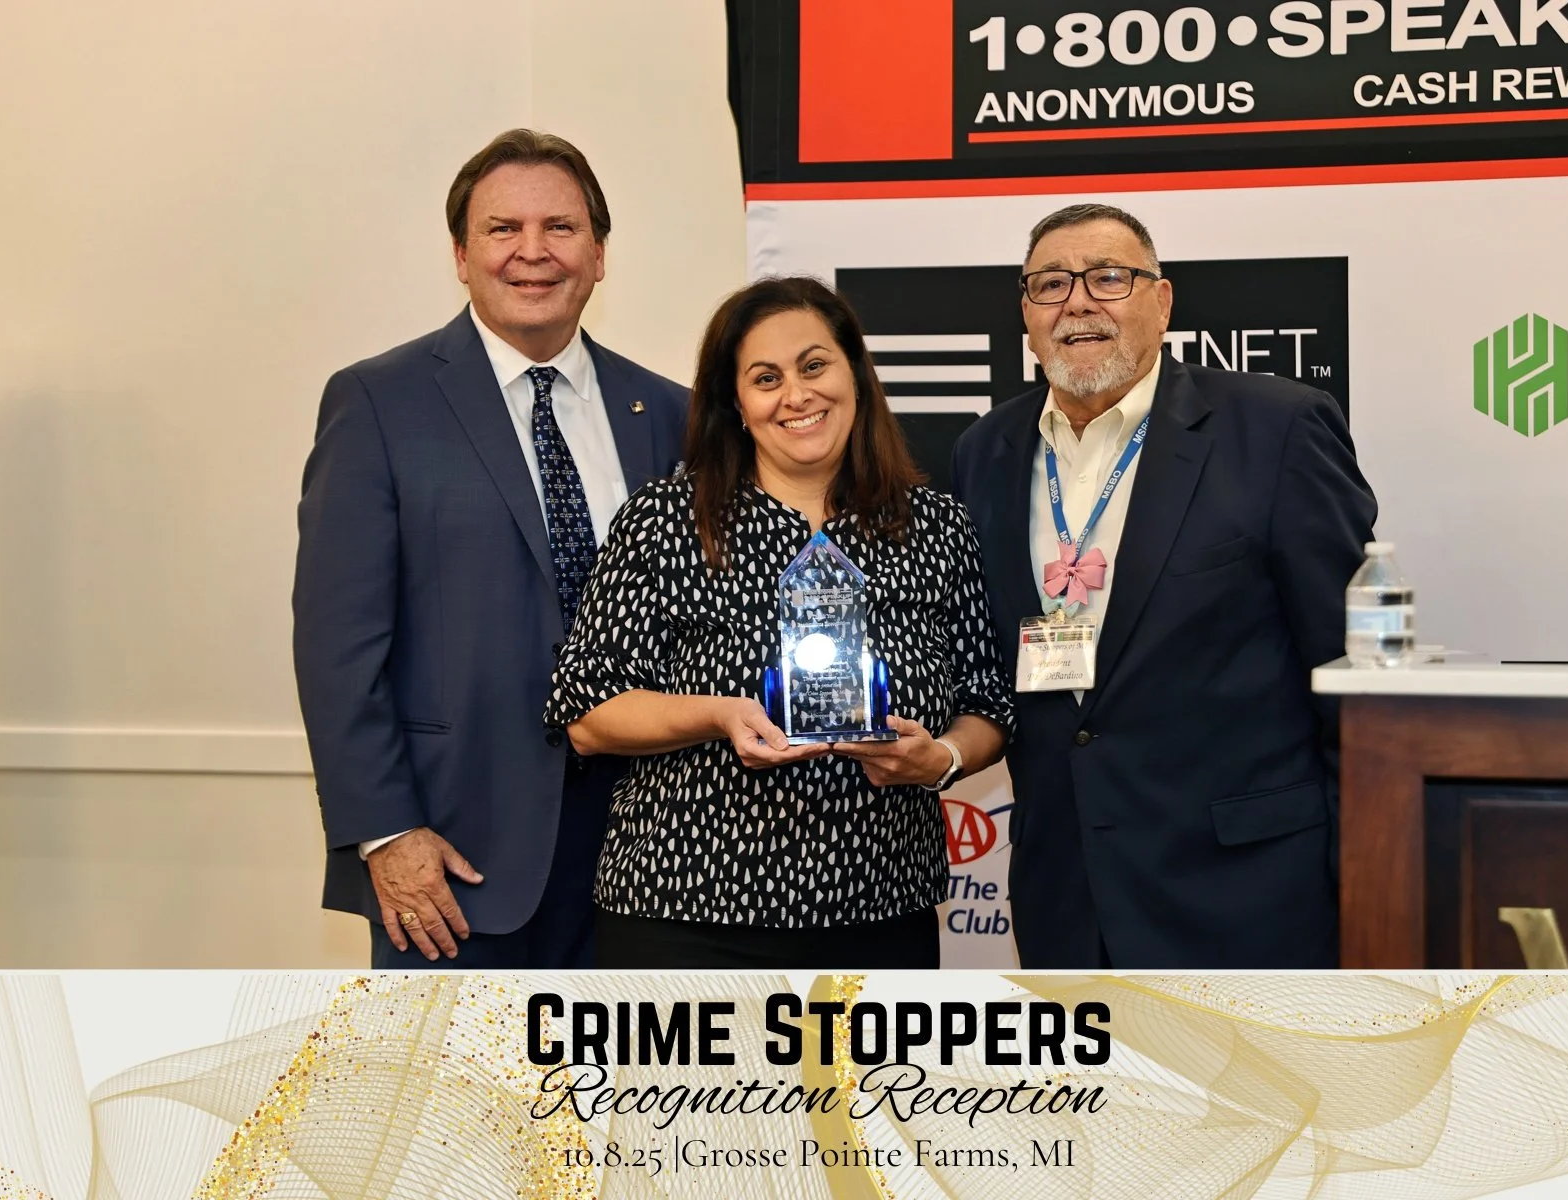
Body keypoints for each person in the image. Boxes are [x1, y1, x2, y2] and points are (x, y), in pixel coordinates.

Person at [293, 130, 687, 968]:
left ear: (600, 254)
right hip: (452, 865)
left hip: (649, 860)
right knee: (462, 1100)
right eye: (504, 229)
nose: (533, 253)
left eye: (562, 228)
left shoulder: (670, 413)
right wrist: (386, 833)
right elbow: (337, 645)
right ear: (462, 255)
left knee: (628, 1097)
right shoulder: (377, 403)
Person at [950, 204, 1376, 968]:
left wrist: (1369, 875)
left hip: (1249, 896)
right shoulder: (985, 451)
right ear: (1025, 312)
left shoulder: (1275, 429)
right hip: (1066, 898)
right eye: (1050, 284)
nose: (1077, 302)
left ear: (1162, 301)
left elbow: (1351, 677)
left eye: (1109, 278)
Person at [545, 276, 1015, 968]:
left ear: (856, 374)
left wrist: (939, 758)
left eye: (815, 365)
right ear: (736, 403)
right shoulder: (666, 522)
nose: (797, 395)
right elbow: (587, 711)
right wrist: (719, 715)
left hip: (881, 910)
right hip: (686, 913)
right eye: (766, 378)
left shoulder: (935, 527)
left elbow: (987, 700)